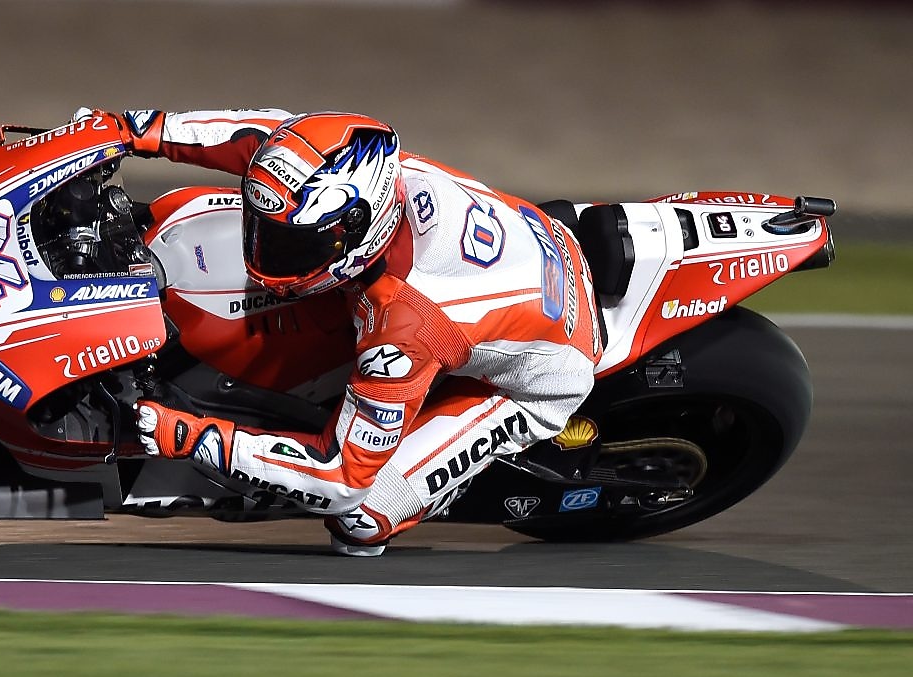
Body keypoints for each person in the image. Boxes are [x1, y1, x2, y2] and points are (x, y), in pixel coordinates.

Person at [95, 108, 603, 556]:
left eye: (291, 244)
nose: (263, 253)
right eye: (267, 233)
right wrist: (131, 129)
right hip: (535, 246)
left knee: (360, 520)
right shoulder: (345, 162)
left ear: (360, 231)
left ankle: (440, 474)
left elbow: (340, 478)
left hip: (541, 373)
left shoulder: (404, 325)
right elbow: (255, 134)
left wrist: (186, 435)